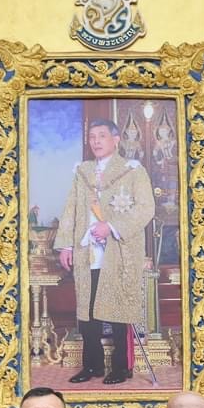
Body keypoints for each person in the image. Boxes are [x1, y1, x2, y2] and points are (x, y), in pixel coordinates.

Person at [56, 117, 155, 385]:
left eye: (102, 136)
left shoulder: (133, 170)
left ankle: (122, 368)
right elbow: (70, 210)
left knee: (120, 310)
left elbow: (146, 208)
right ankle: (93, 366)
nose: (96, 141)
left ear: (116, 139)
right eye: (92, 137)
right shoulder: (82, 172)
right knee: (87, 313)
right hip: (87, 252)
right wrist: (66, 244)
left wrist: (111, 226)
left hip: (119, 253)